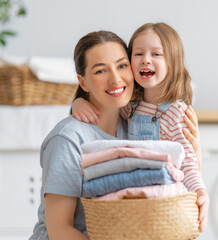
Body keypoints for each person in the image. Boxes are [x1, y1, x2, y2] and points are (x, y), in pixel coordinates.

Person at [30, 30, 202, 240]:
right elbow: (59, 230)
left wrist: (195, 153)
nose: (115, 79)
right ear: (83, 83)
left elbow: (169, 192)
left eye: (122, 66)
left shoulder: (136, 126)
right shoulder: (68, 139)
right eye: (100, 71)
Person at [72, 22, 209, 231]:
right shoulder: (131, 107)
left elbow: (188, 162)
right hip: (133, 201)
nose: (146, 59)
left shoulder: (175, 112)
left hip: (160, 203)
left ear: (173, 62)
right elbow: (105, 106)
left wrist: (200, 191)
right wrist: (80, 102)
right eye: (138, 54)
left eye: (156, 54)